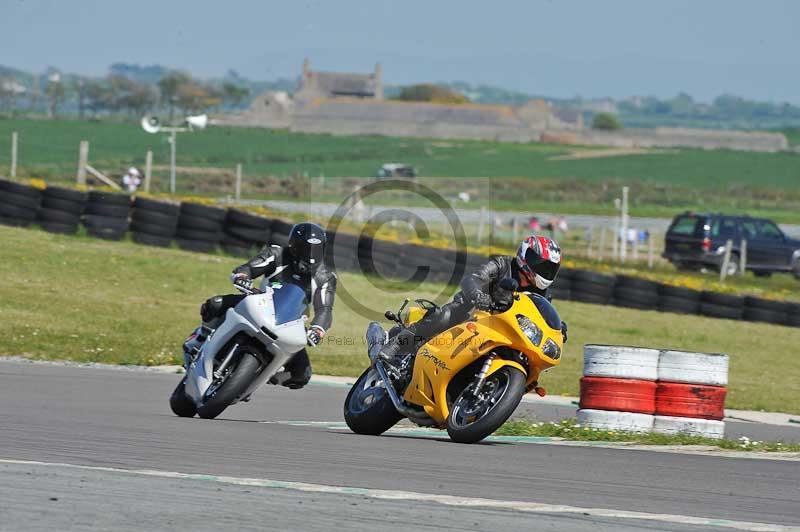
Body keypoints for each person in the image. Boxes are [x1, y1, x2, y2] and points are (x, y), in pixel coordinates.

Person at [191, 222, 337, 389]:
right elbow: (249, 268)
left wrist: (317, 329)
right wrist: (242, 277)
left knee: (302, 375)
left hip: (290, 323)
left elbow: (325, 309)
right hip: (258, 304)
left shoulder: (326, 277)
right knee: (215, 304)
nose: (310, 255)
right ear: (293, 245)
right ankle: (200, 339)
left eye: (315, 250)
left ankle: (262, 375)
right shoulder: (276, 253)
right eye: (305, 248)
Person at [377, 235, 568, 362]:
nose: (544, 271)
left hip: (502, 327)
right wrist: (479, 295)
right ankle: (395, 345)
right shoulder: (501, 264)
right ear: (526, 256)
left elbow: (540, 316)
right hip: (471, 312)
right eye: (541, 265)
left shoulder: (542, 293)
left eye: (550, 268)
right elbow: (473, 279)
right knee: (444, 316)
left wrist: (557, 330)